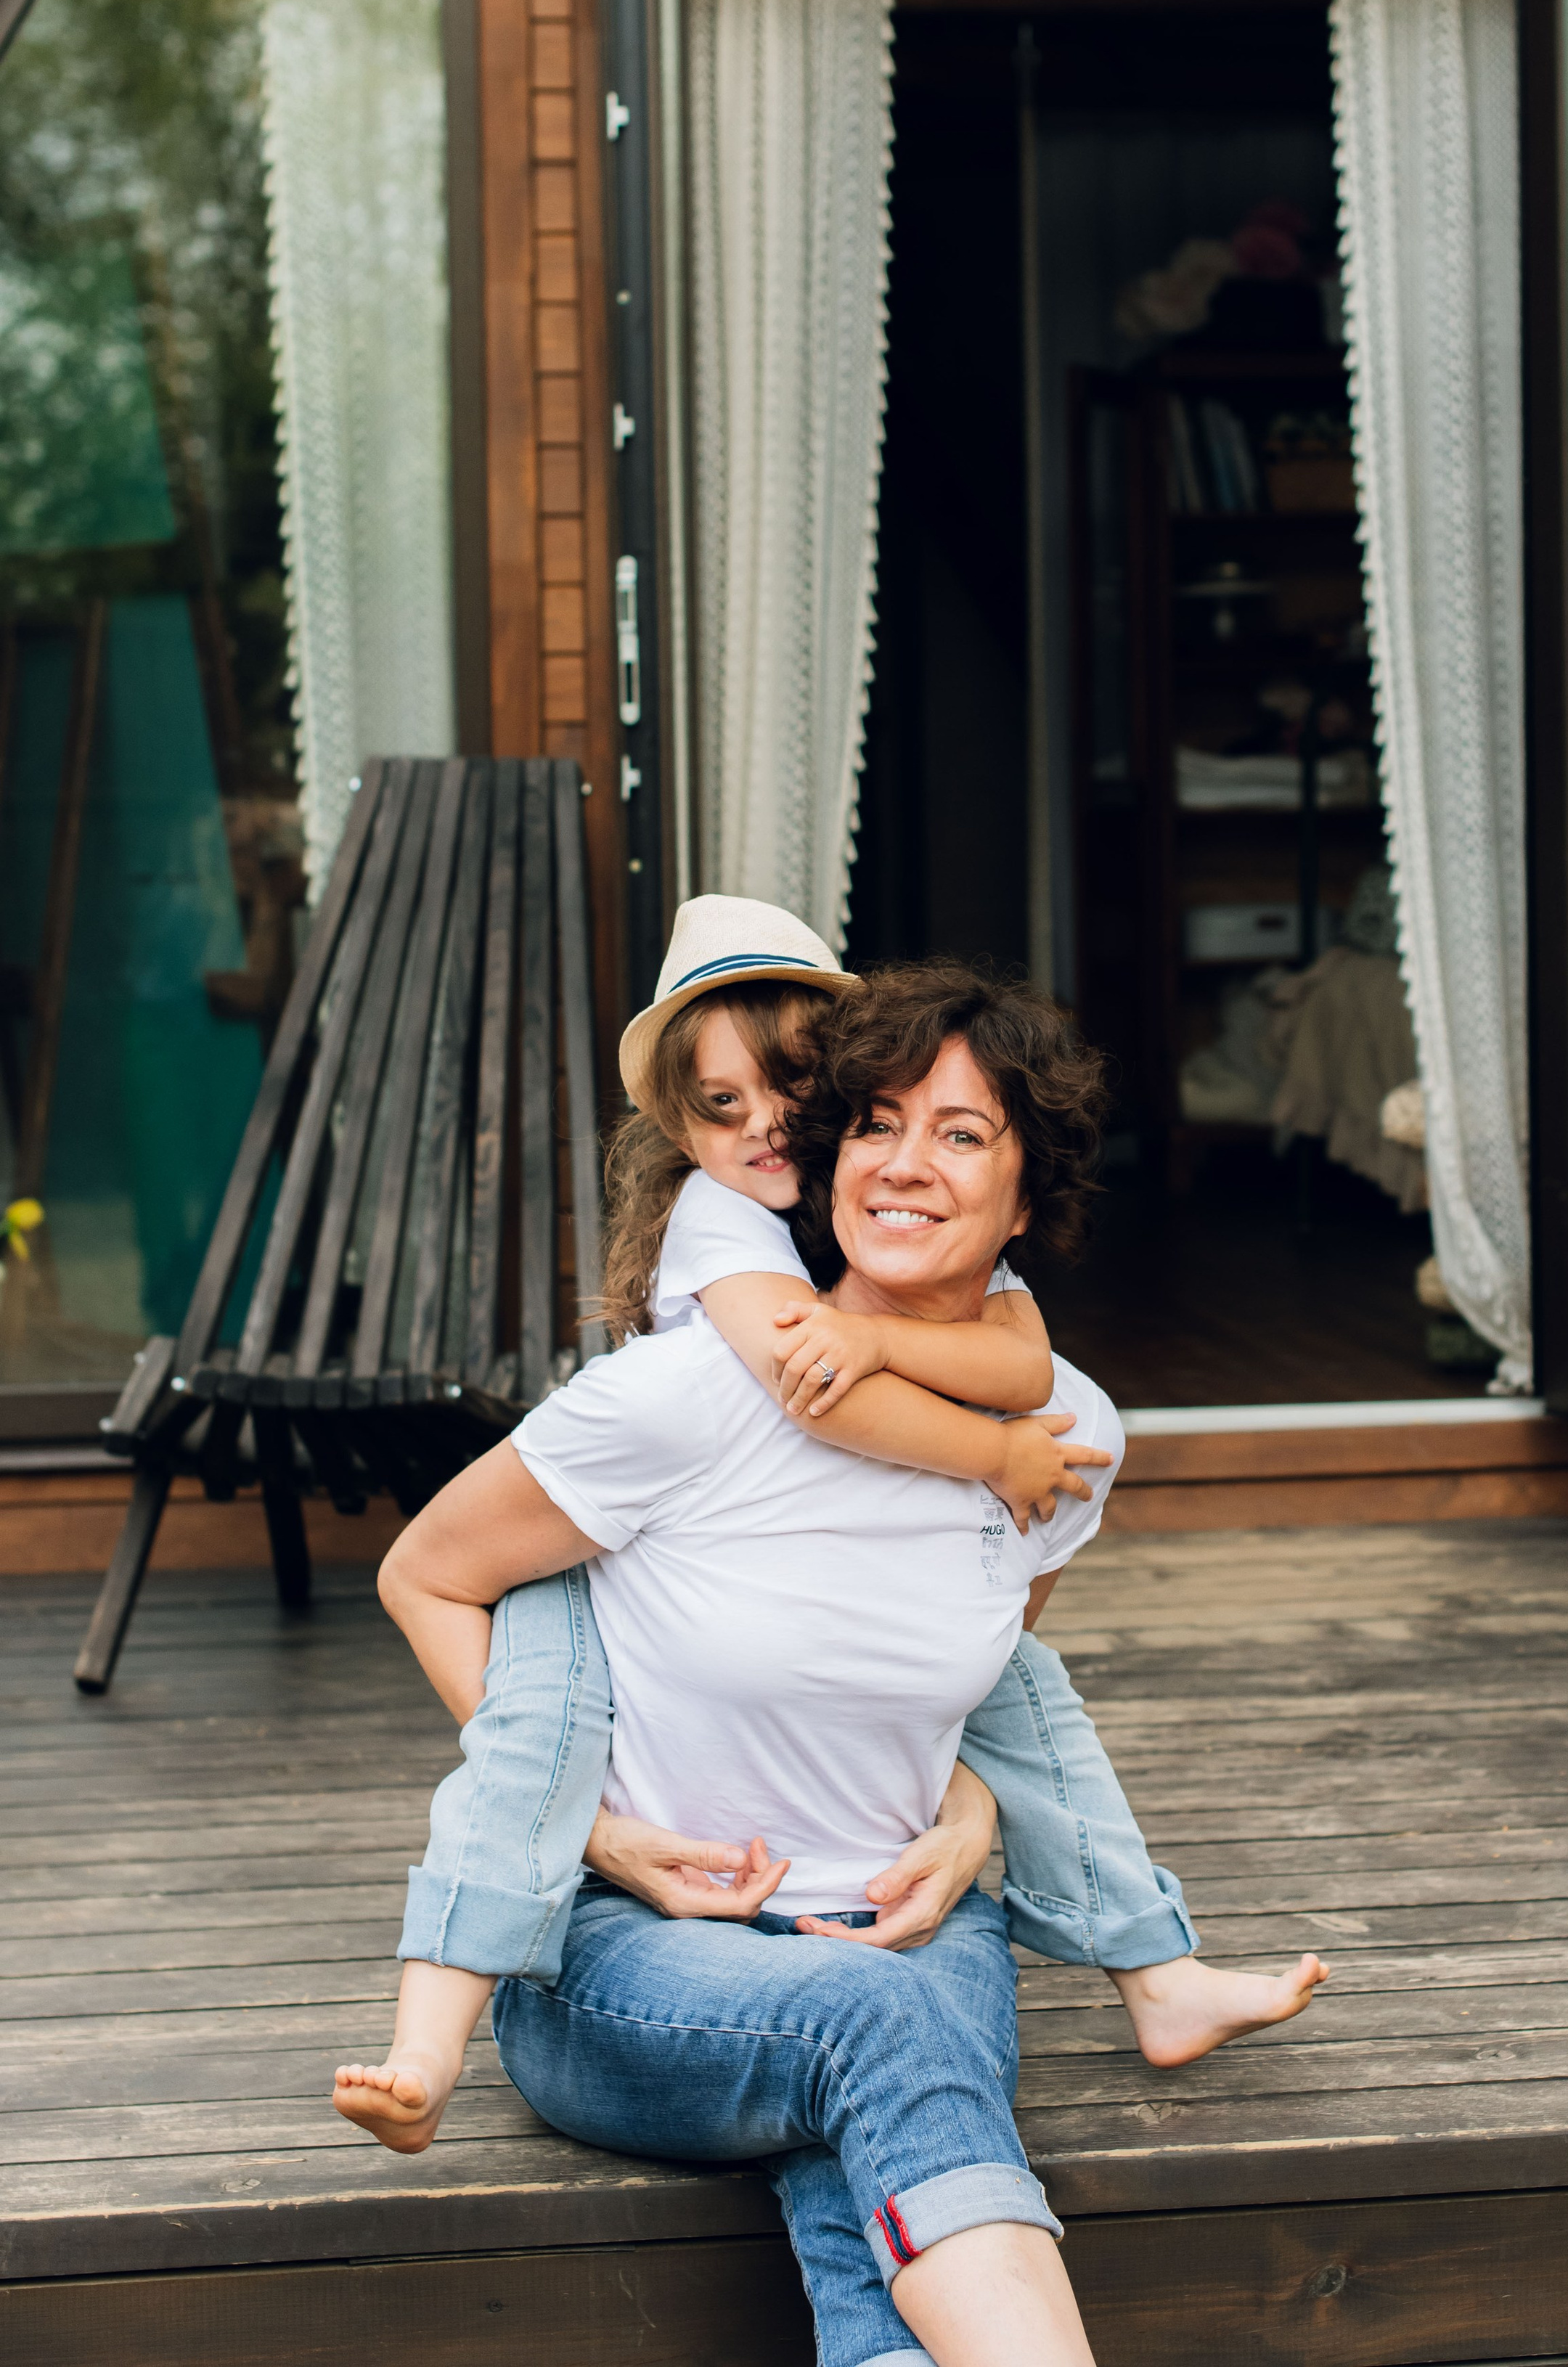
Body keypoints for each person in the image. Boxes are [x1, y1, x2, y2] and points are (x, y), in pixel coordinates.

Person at [336, 952, 1326, 2365]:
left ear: (1025, 1199)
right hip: (632, 1965)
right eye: (874, 1121)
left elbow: (978, 1689)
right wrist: (599, 1834)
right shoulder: (691, 1392)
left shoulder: (1069, 1442)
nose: (906, 1161)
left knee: (864, 2092)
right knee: (872, 2030)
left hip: (907, 1924)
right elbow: (422, 1574)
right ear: (824, 1154)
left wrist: (971, 1816)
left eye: (961, 1131)